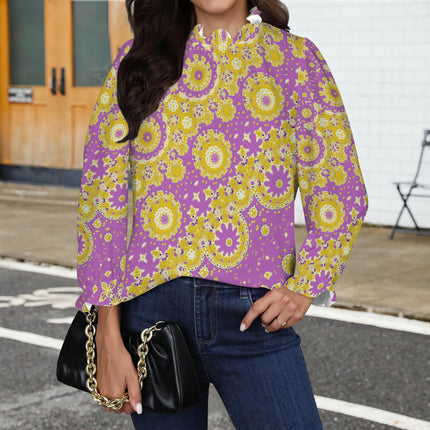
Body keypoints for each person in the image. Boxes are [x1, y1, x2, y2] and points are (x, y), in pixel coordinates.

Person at [75, 0, 368, 428]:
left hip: (253, 317)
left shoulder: (295, 60)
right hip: (151, 318)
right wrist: (107, 332)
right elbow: (102, 199)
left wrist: (307, 284)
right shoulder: (137, 61)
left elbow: (338, 187)